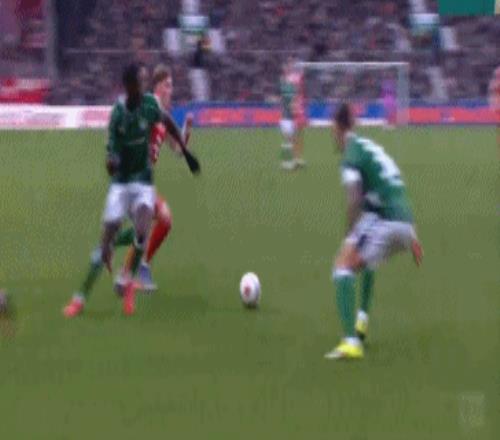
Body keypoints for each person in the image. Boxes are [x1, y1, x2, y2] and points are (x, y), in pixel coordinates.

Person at [63, 63, 195, 317]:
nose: (171, 90)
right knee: (154, 222)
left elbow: (177, 148)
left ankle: (129, 274)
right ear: (156, 87)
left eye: (171, 85)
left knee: (153, 223)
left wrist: (187, 132)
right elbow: (118, 141)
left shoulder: (156, 112)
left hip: (143, 183)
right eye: (167, 85)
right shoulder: (139, 109)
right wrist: (115, 159)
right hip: (125, 181)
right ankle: (121, 273)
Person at [325, 103, 423, 360]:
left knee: (342, 266)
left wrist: (349, 235)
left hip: (387, 220)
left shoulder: (351, 155)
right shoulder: (370, 147)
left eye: (332, 129)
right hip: (405, 222)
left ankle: (351, 343)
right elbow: (395, 187)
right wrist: (413, 237)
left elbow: (353, 198)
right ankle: (362, 320)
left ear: (337, 128)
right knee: (366, 257)